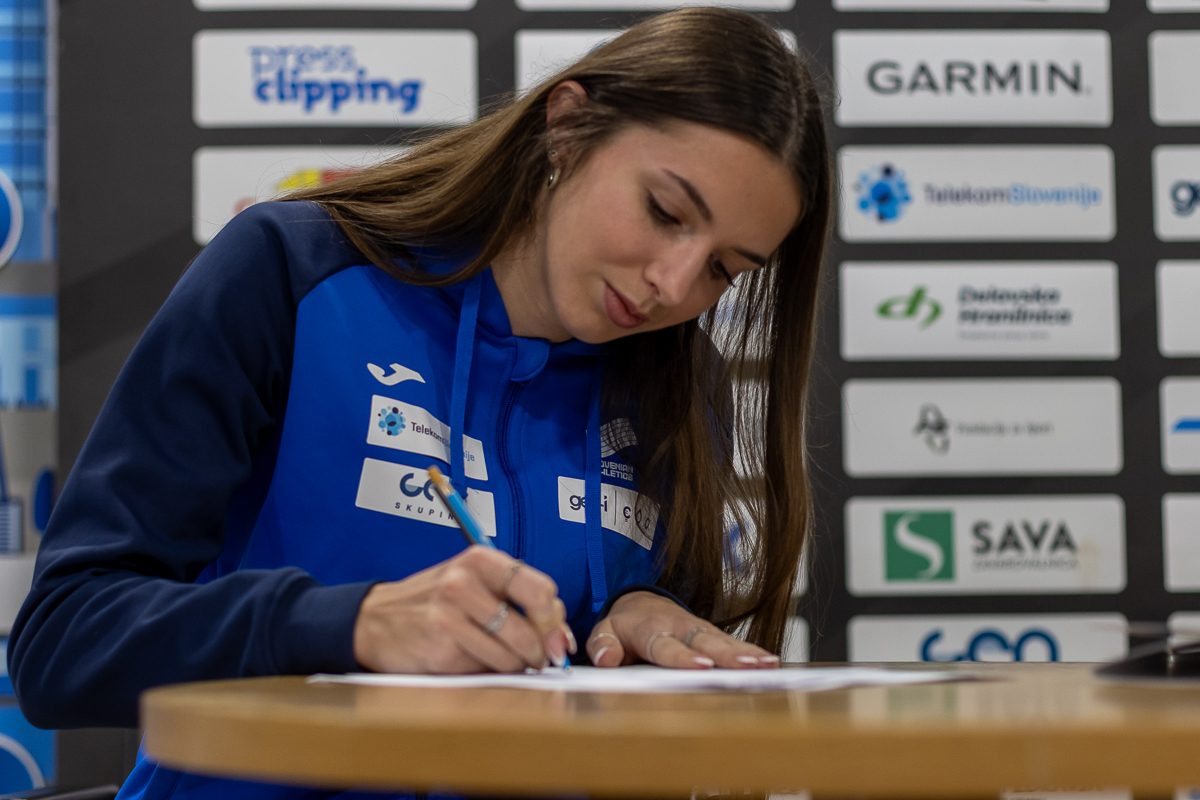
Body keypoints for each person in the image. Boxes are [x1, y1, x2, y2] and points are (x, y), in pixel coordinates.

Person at [7, 6, 831, 800]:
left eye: (723, 269)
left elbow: (578, 689)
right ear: (568, 128)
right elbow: (65, 640)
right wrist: (352, 625)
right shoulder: (292, 272)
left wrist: (638, 622)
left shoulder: (681, 386)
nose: (673, 286)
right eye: (664, 211)